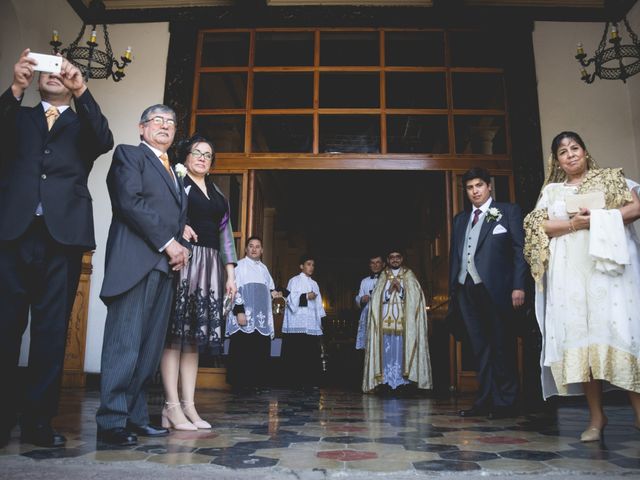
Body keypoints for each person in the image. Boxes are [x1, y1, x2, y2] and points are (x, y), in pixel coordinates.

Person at [0, 49, 113, 448]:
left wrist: (81, 88)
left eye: (61, 70)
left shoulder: (83, 124)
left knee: (50, 334)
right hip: (13, 234)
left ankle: (37, 424)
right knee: (5, 328)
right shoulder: (19, 116)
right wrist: (15, 87)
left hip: (62, 237)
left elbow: (104, 139)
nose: (54, 74)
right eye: (46, 69)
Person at [524, 131, 640, 442]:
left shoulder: (611, 179)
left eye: (575, 148)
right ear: (557, 160)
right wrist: (574, 224)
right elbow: (540, 225)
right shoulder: (552, 191)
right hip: (571, 277)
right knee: (584, 340)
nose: (570, 154)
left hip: (609, 273)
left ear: (585, 152)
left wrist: (599, 218)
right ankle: (596, 417)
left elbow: (634, 208)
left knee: (619, 334)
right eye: (563, 151)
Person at [96, 105, 191, 446]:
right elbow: (129, 202)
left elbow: (169, 214)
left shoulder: (173, 171)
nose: (165, 126)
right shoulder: (129, 155)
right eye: (157, 120)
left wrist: (180, 244)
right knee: (125, 344)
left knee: (149, 349)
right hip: (136, 263)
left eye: (171, 122)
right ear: (141, 128)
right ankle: (111, 422)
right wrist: (169, 243)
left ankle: (135, 417)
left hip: (164, 268)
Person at [160, 134, 237, 430]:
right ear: (186, 156)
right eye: (197, 152)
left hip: (210, 266)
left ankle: (189, 407)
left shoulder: (218, 193)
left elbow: (226, 235)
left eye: (208, 154)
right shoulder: (177, 181)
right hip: (185, 261)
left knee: (192, 339)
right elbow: (161, 212)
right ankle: (170, 406)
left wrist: (230, 273)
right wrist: (181, 225)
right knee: (174, 336)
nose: (203, 158)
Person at [449, 168, 527, 419]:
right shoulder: (460, 219)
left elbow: (519, 250)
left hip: (497, 289)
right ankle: (484, 401)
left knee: (501, 345)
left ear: (489, 186)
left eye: (479, 185)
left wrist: (519, 285)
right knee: (479, 347)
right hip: (466, 289)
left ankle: (506, 402)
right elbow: (456, 256)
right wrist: (454, 289)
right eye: (470, 187)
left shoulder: (507, 211)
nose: (475, 191)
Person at [362, 249, 432, 393]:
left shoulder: (409, 275)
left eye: (398, 257)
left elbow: (416, 298)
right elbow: (375, 299)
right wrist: (387, 293)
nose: (395, 260)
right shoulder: (383, 276)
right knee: (387, 352)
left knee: (401, 351)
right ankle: (387, 381)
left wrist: (400, 289)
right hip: (385, 321)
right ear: (388, 260)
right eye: (392, 257)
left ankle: (402, 383)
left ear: (402, 259)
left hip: (403, 321)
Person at [226, 236, 280, 393]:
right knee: (243, 350)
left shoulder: (264, 269)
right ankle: (239, 384)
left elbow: (269, 288)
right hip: (244, 316)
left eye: (258, 246)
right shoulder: (239, 266)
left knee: (258, 350)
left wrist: (274, 293)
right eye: (251, 246)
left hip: (260, 319)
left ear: (262, 250)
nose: (254, 249)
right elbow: (234, 290)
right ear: (246, 249)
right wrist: (239, 311)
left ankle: (257, 383)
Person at [281, 255, 326, 390]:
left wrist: (320, 321)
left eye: (313, 265)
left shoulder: (315, 284)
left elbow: (319, 305)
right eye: (308, 264)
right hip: (297, 323)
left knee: (310, 353)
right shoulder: (294, 280)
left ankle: (310, 381)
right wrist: (306, 296)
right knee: (297, 353)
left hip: (311, 324)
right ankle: (295, 382)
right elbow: (289, 299)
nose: (311, 267)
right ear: (301, 266)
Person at [354, 255, 384, 350]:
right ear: (370, 265)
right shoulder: (364, 281)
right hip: (368, 318)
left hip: (383, 316)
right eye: (372, 263)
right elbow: (358, 298)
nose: (375, 265)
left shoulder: (387, 279)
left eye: (378, 262)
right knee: (369, 345)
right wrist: (362, 299)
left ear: (383, 264)